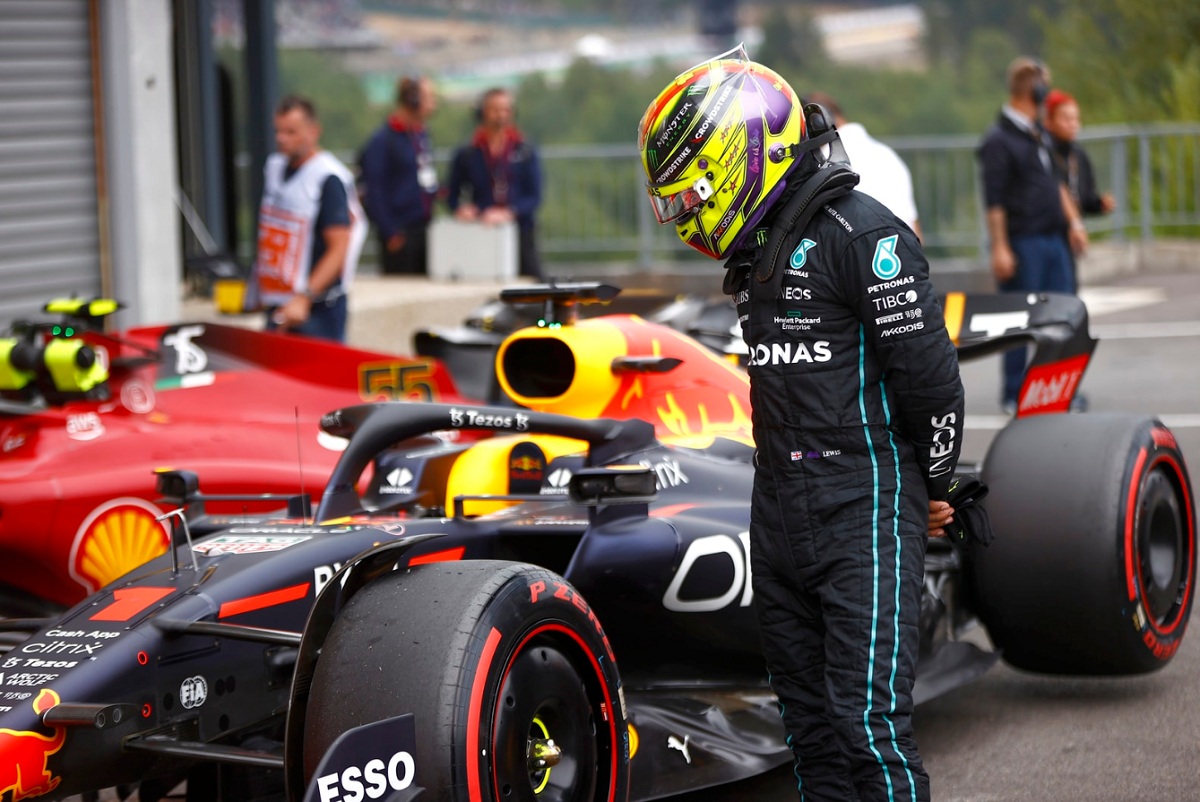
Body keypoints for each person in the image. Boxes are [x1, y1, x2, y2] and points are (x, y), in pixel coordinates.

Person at [638, 49, 964, 801]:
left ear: (743, 156)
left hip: (863, 503)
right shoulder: (758, 252)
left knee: (868, 726)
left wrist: (936, 484)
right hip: (779, 504)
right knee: (810, 730)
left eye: (693, 195)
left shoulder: (863, 236)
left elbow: (933, 384)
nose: (688, 213)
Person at [978, 57, 1088, 412]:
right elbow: (994, 200)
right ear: (1035, 89)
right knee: (1019, 319)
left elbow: (1055, 184)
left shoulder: (1036, 133)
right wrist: (1000, 247)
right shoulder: (999, 140)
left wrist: (1073, 222)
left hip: (1053, 237)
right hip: (1023, 240)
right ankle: (1014, 393)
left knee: (1064, 315)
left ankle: (1056, 390)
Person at [249, 95, 366, 342]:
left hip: (317, 310)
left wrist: (305, 296)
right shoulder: (274, 167)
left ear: (313, 132)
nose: (282, 138)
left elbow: (339, 247)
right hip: (278, 305)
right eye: (279, 131)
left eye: (291, 132)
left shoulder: (328, 177)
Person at [446, 87, 544, 279]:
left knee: (532, 280)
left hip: (520, 229)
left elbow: (534, 195)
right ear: (482, 112)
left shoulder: (524, 149)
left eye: (506, 110)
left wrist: (510, 212)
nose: (501, 115)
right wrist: (462, 209)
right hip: (483, 230)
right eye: (495, 109)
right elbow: (451, 194)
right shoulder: (468, 152)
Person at [804, 90, 922, 238]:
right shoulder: (889, 155)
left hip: (858, 254)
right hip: (904, 253)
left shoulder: (824, 160)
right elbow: (916, 231)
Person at [358, 76, 439, 276]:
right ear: (412, 100)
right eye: (429, 98)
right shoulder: (382, 140)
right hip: (400, 233)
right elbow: (373, 190)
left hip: (425, 227)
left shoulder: (420, 134)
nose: (433, 104)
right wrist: (390, 232)